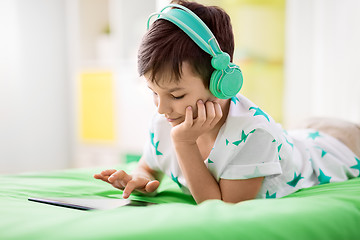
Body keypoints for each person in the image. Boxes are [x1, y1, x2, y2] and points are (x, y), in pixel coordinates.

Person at [94, 0, 360, 204]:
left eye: (176, 96)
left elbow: (220, 209)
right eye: (153, 92)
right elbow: (149, 163)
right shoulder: (166, 118)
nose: (161, 108)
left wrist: (184, 144)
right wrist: (142, 178)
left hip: (340, 144)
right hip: (298, 136)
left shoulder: (254, 134)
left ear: (221, 82)